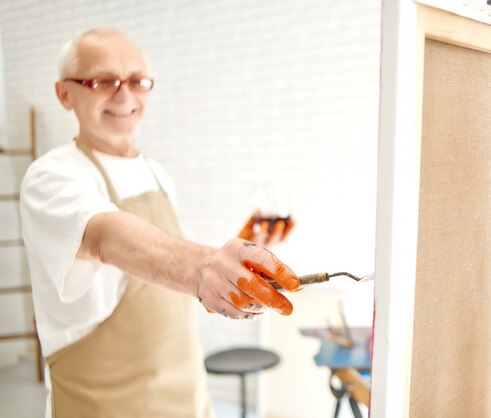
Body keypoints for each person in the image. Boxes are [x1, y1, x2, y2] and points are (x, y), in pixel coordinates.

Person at [20, 27, 299, 418]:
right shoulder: (50, 177)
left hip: (186, 397)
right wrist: (205, 265)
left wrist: (239, 249)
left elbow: (162, 276)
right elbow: (107, 237)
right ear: (65, 93)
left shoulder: (156, 175)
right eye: (103, 81)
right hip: (103, 406)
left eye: (137, 81)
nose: (124, 95)